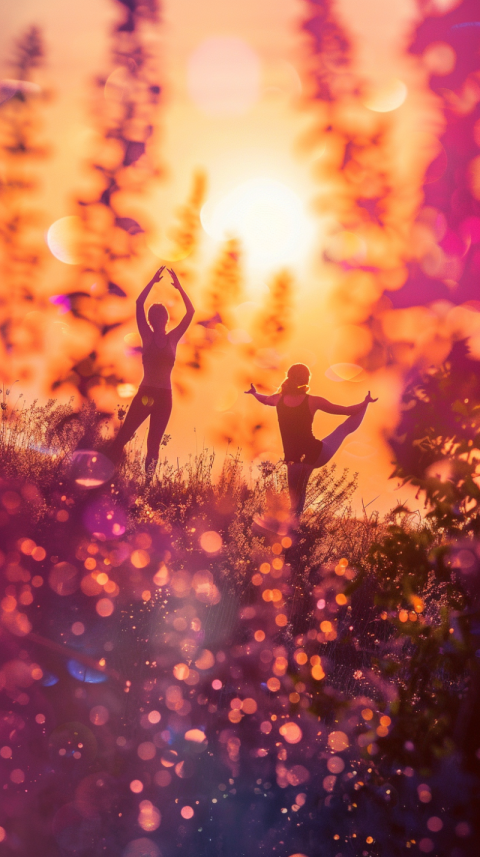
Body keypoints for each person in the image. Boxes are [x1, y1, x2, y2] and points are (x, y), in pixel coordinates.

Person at [245, 363, 377, 522]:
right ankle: (292, 533)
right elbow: (347, 411)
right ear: (306, 379)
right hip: (315, 454)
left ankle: (291, 533)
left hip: (294, 459)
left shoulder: (278, 399)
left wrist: (254, 393)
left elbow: (264, 399)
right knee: (344, 429)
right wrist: (365, 403)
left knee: (296, 503)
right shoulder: (313, 401)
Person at [109, 266, 194, 475]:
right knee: (124, 436)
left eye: (160, 317)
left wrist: (180, 288)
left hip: (164, 397)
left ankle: (147, 485)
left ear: (165, 319)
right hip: (147, 393)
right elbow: (139, 303)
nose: (158, 320)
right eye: (155, 318)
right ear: (151, 320)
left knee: (153, 444)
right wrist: (152, 281)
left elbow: (190, 312)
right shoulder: (146, 336)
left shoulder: (173, 339)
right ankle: (109, 473)